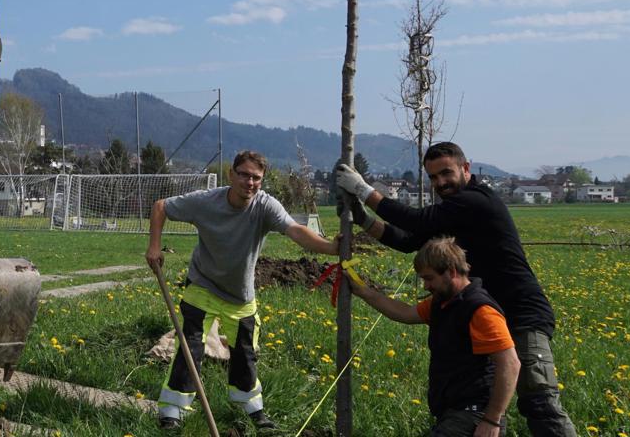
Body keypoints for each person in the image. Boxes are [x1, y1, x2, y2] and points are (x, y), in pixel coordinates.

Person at [336, 142, 577, 437]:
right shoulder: (453, 212)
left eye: (446, 173)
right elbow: (408, 240)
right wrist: (363, 220)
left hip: (519, 312)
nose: (440, 183)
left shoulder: (476, 201)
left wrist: (364, 190)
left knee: (539, 401)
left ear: (466, 168)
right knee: (482, 396)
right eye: (433, 177)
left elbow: (415, 220)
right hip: (481, 312)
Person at [145, 150, 338, 431]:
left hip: (240, 295)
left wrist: (332, 247)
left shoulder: (265, 206)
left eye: (256, 178)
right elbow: (161, 206)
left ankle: (251, 407)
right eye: (244, 175)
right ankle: (172, 410)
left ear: (262, 181)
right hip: (203, 284)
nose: (249, 182)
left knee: (246, 352)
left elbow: (295, 231)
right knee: (190, 346)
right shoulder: (206, 202)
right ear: (231, 174)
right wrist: (154, 246)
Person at [349, 237, 520, 436]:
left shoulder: (480, 310)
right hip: (453, 411)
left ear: (452, 272)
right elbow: (405, 313)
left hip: (475, 415)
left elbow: (510, 364)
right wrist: (363, 291)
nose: (425, 286)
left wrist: (492, 420)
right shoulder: (442, 302)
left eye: (429, 278)